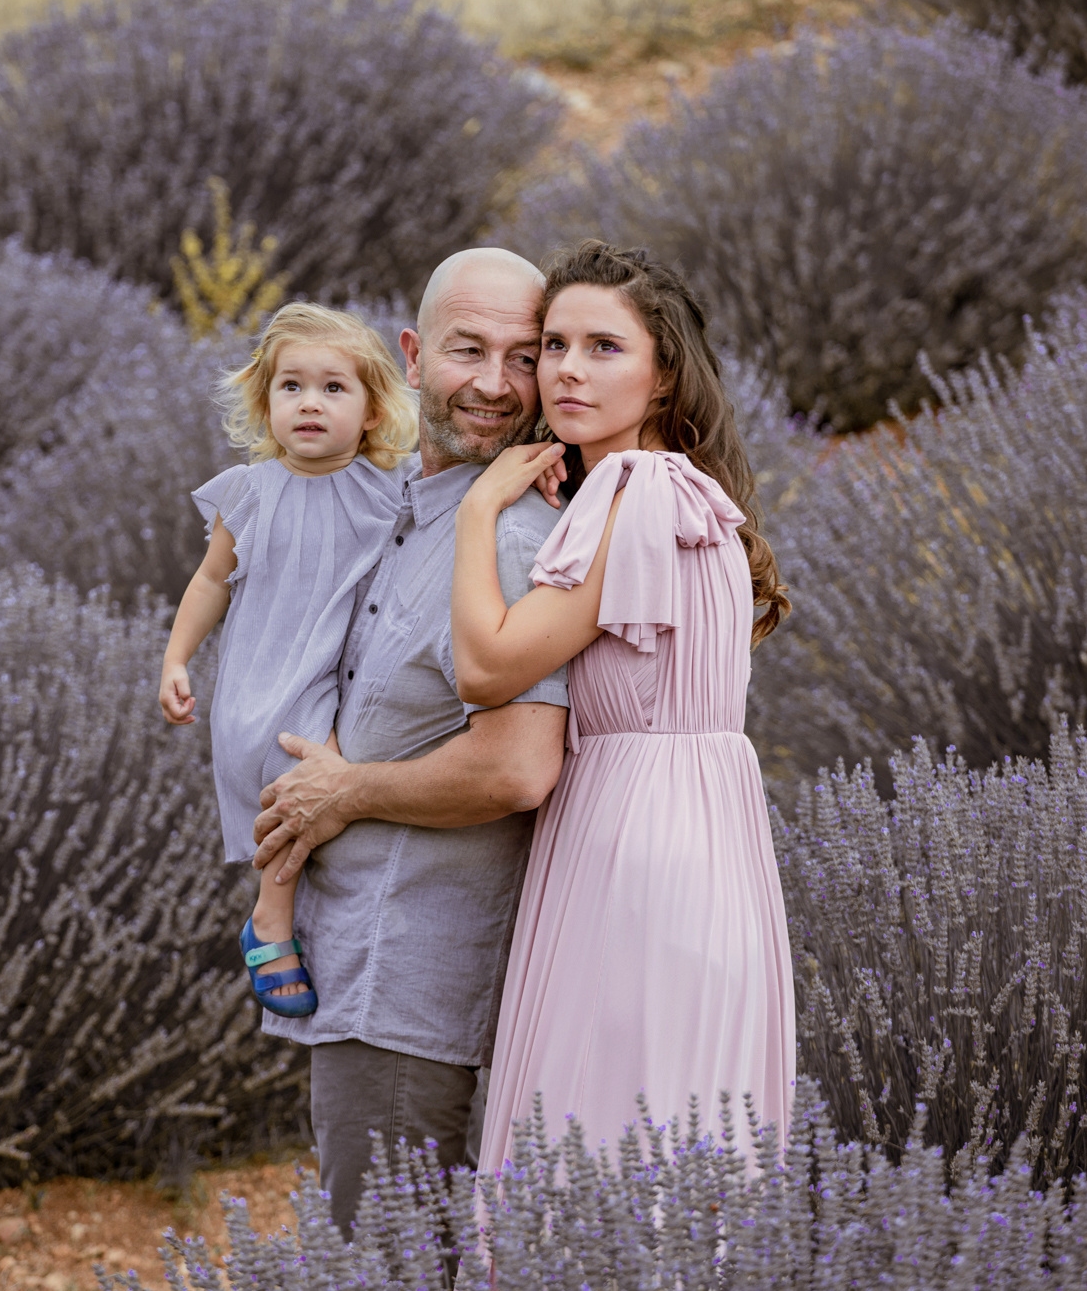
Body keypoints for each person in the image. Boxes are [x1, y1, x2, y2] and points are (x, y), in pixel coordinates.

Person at [448, 241, 797, 1171]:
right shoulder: (691, 491)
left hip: (633, 852)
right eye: (553, 344)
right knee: (670, 1142)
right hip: (706, 844)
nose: (566, 368)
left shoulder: (636, 493)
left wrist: (479, 511)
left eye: (605, 347)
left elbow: (487, 669)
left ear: (663, 374)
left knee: (599, 1141)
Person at [249, 248, 571, 1238]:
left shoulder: (510, 540)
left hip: (408, 981)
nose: (493, 382)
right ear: (411, 356)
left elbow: (518, 763)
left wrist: (344, 793)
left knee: (384, 1261)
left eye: (524, 358)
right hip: (350, 957)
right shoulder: (403, 500)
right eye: (467, 348)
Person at [159, 303, 417, 1018]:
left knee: (312, 778)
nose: (310, 402)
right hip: (264, 677)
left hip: (338, 676)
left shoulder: (387, 486)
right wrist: (176, 658)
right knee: (293, 780)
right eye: (291, 387)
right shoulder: (250, 492)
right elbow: (211, 580)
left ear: (371, 410)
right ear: (264, 402)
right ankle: (271, 916)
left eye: (335, 388)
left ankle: (280, 915)